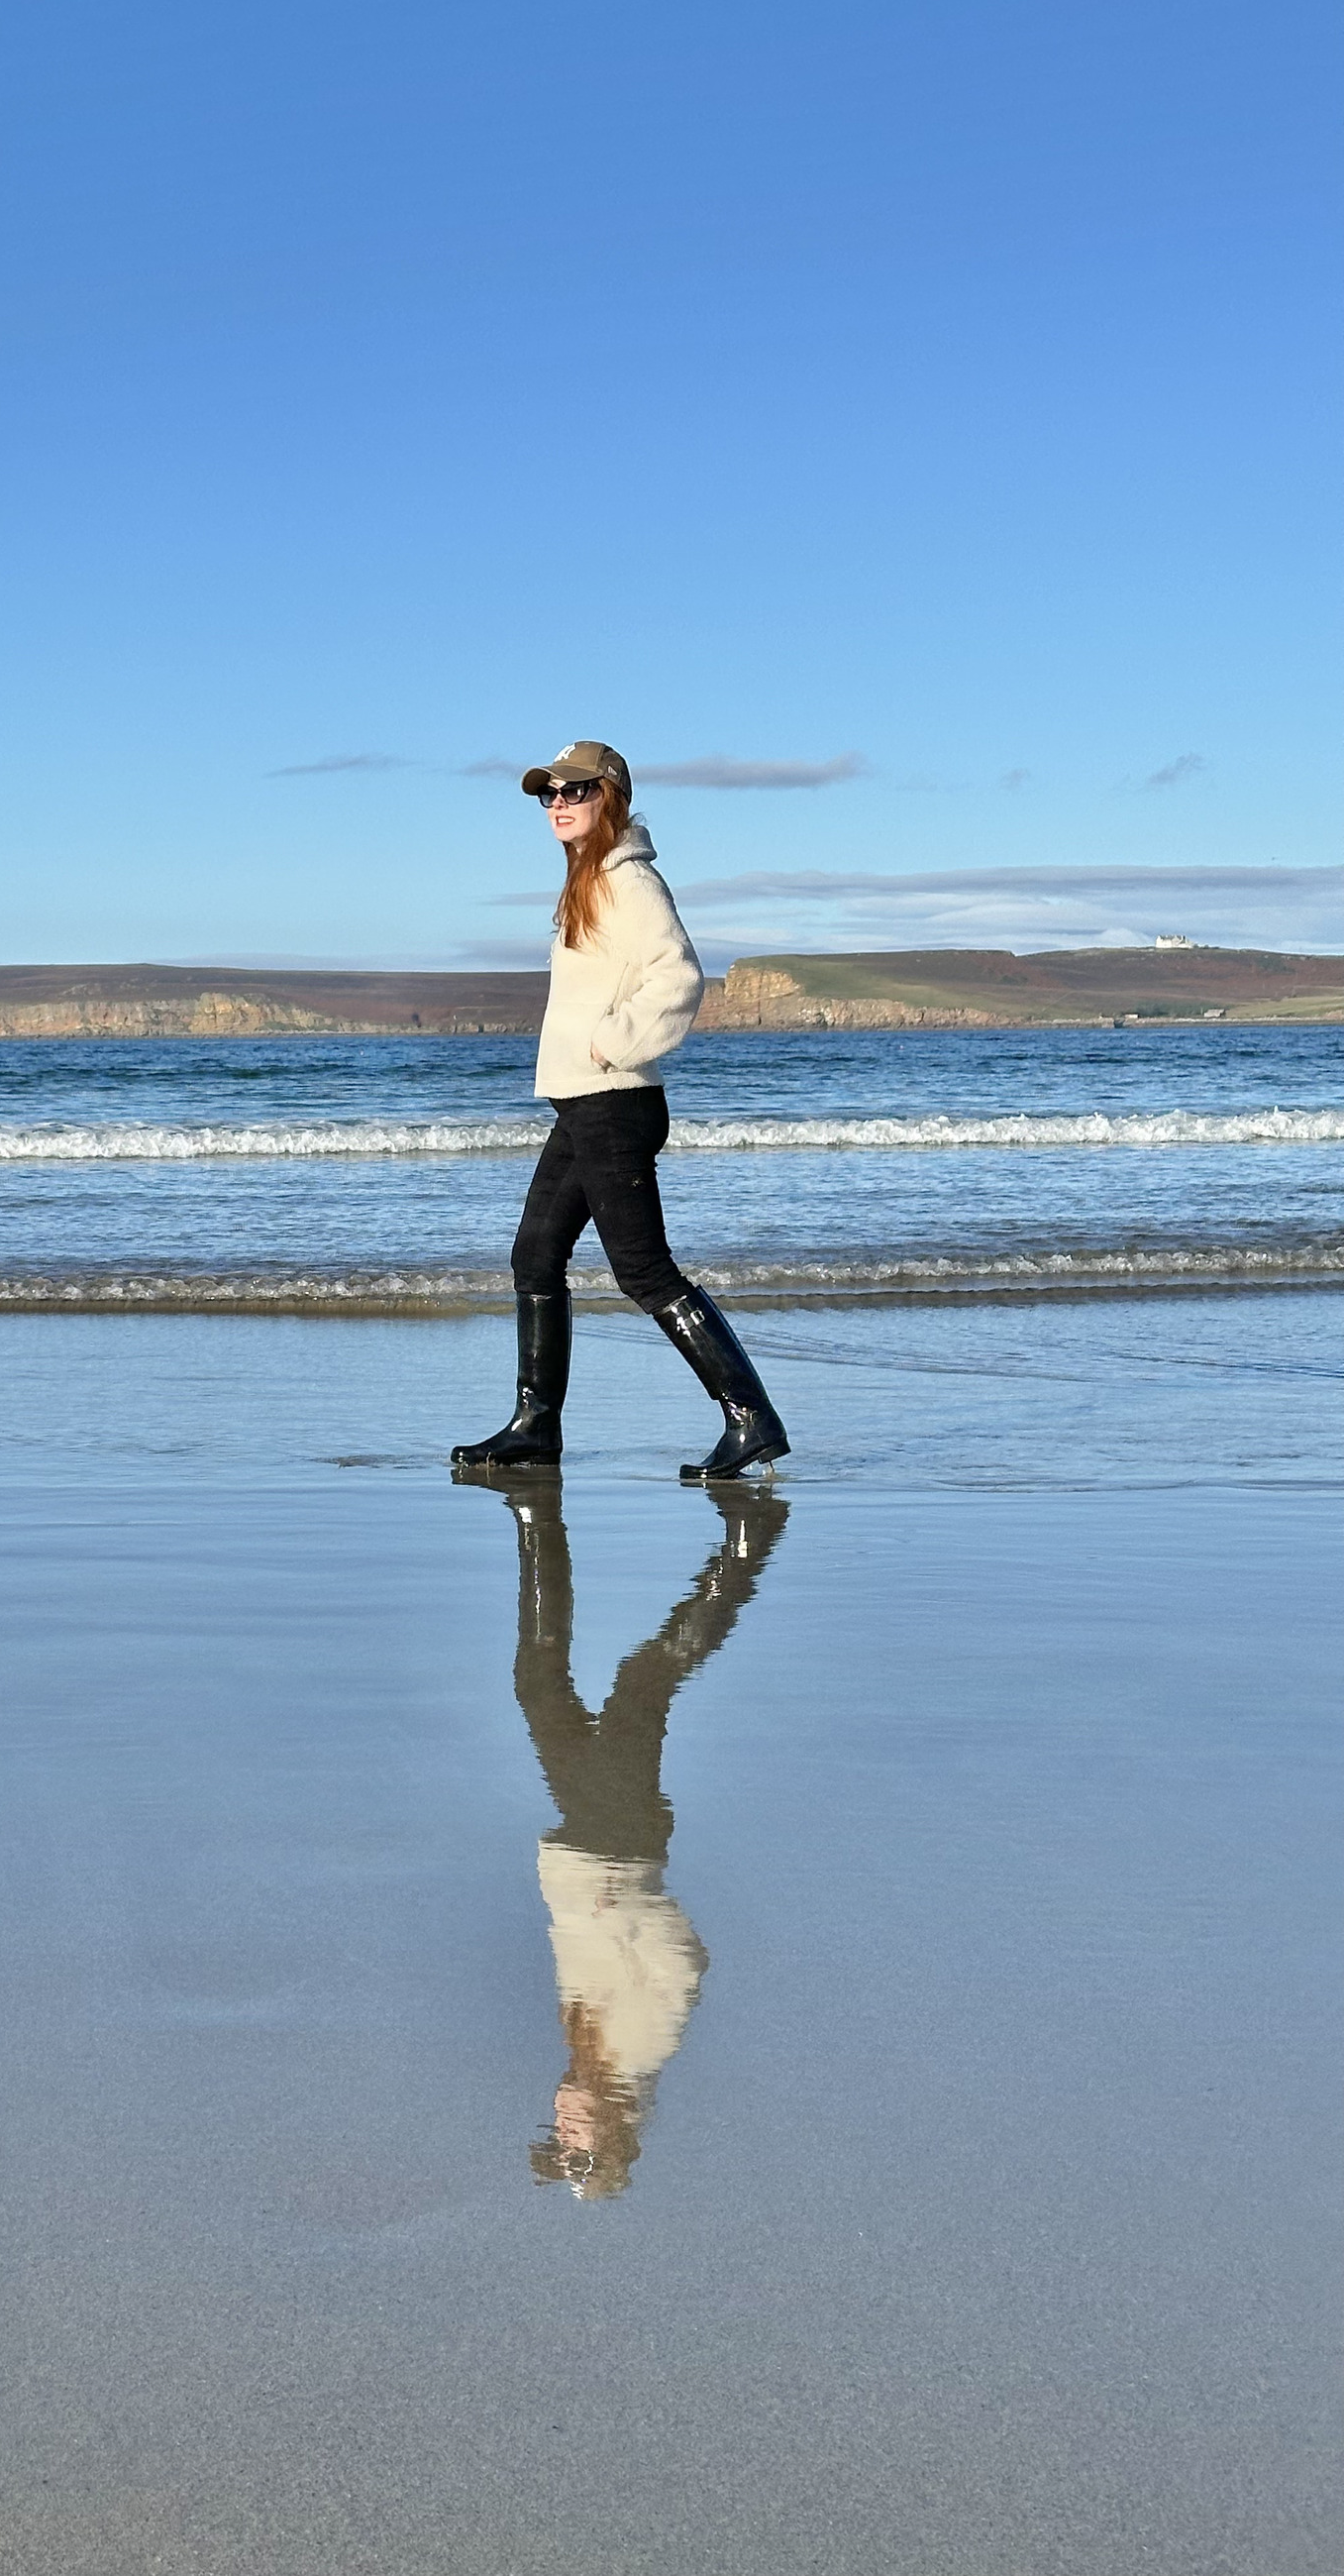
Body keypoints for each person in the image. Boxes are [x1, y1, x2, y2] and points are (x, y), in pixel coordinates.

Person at [452, 740, 790, 1482]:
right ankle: (535, 1426)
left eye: (576, 791)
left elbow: (679, 975)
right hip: (584, 1106)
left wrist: (615, 1041)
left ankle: (750, 1418)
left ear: (613, 797)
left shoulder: (629, 882)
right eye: (550, 795)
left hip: (614, 1103)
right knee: (535, 1257)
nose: (560, 804)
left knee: (644, 1271)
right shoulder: (587, 881)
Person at [458, 1470, 791, 2198]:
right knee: (644, 1679)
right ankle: (745, 1550)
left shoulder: (590, 2054)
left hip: (589, 1841)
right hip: (616, 1845)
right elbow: (687, 1966)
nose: (559, 2125)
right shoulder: (638, 2051)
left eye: (556, 2137)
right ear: (612, 2130)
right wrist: (625, 1906)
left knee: (542, 1684)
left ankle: (537, 1527)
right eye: (573, 2143)